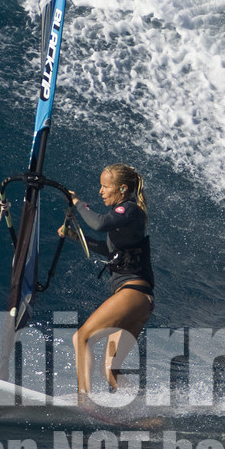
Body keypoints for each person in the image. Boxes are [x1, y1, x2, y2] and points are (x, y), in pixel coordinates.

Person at [58, 163, 155, 398]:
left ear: (122, 188)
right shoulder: (125, 220)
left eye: (105, 187)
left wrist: (78, 204)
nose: (101, 191)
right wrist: (73, 236)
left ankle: (84, 402)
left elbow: (100, 223)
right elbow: (108, 248)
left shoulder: (129, 209)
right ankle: (141, 408)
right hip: (141, 300)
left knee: (82, 337)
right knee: (110, 371)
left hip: (132, 293)